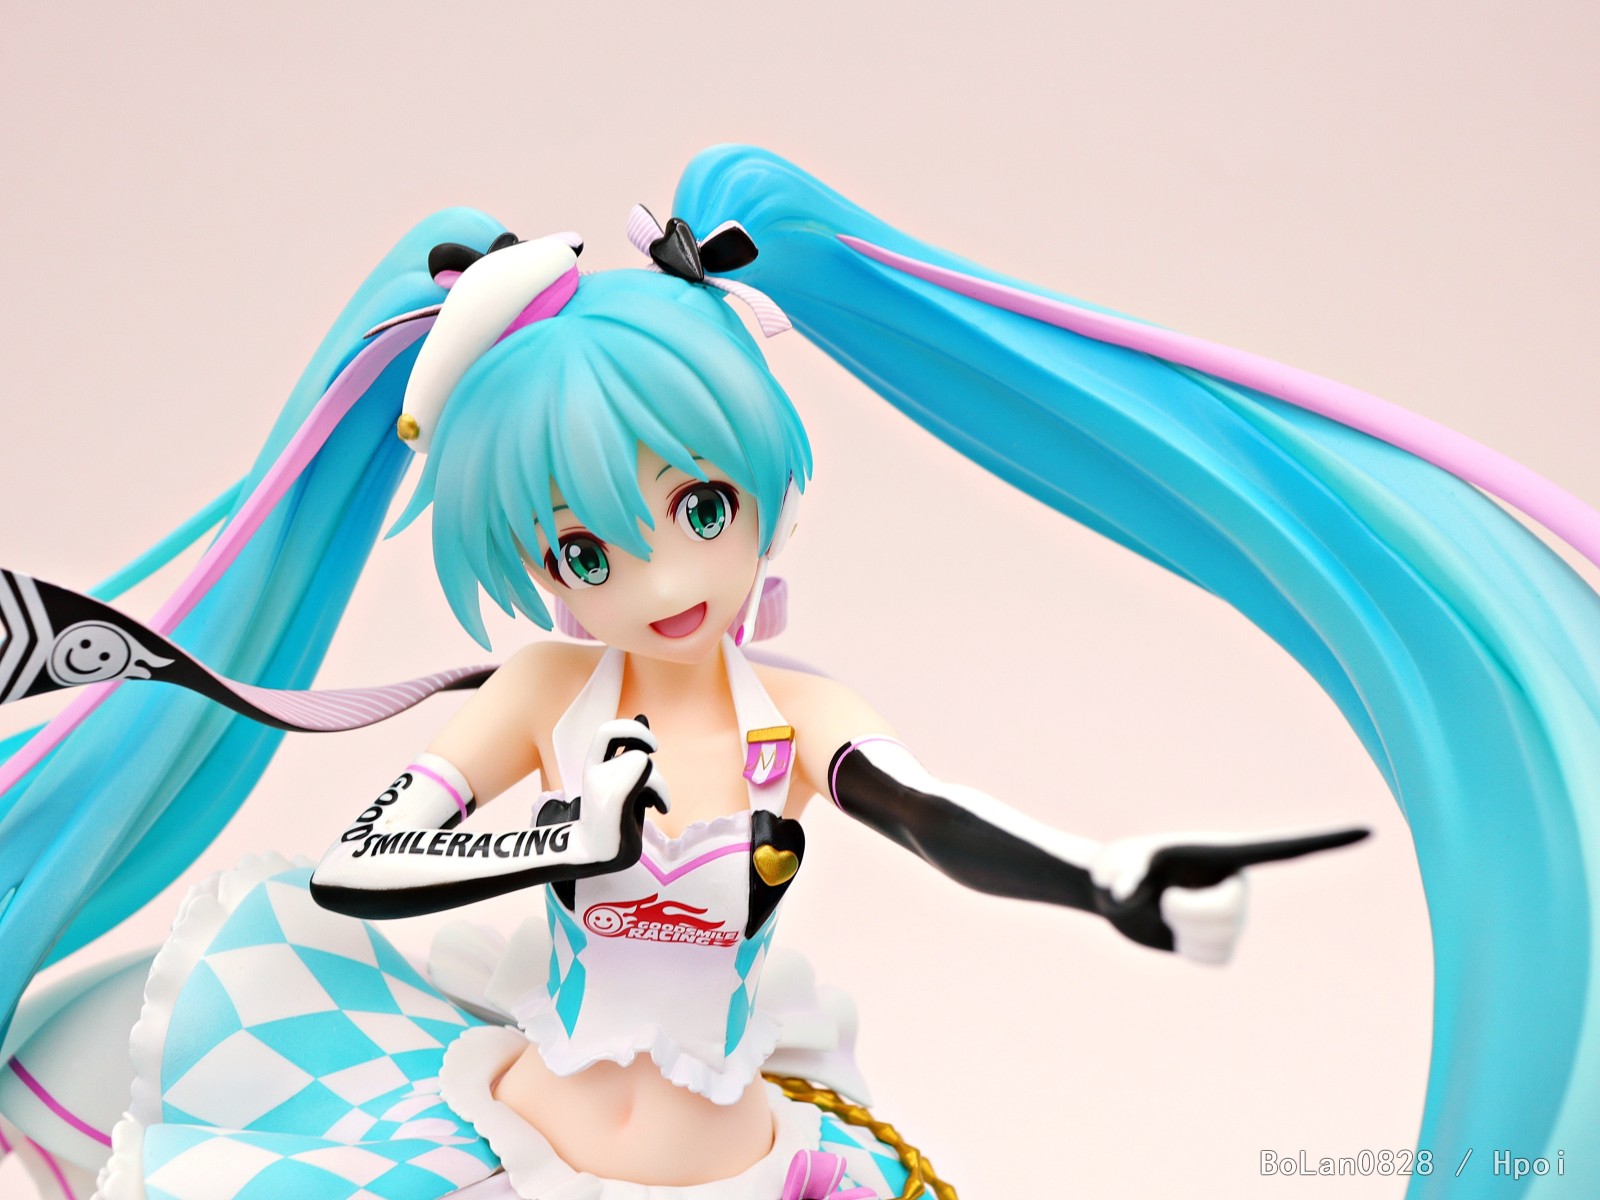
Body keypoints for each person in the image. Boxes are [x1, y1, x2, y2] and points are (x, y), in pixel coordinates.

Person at [1, 146, 1594, 1199]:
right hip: (514, 1142)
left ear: (759, 485)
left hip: (744, 1160)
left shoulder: (792, 717)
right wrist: (565, 831)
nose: (664, 582)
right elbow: (364, 862)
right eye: (587, 552)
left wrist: (1100, 876)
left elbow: (934, 816)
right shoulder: (549, 698)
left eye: (701, 510)